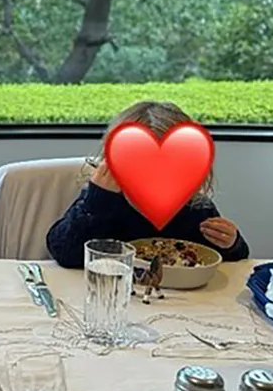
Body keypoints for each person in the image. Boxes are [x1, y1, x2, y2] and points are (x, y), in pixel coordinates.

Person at [46, 100, 249, 269]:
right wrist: (96, 201)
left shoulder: (197, 209)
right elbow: (63, 253)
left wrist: (232, 243)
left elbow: (231, 261)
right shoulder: (102, 204)